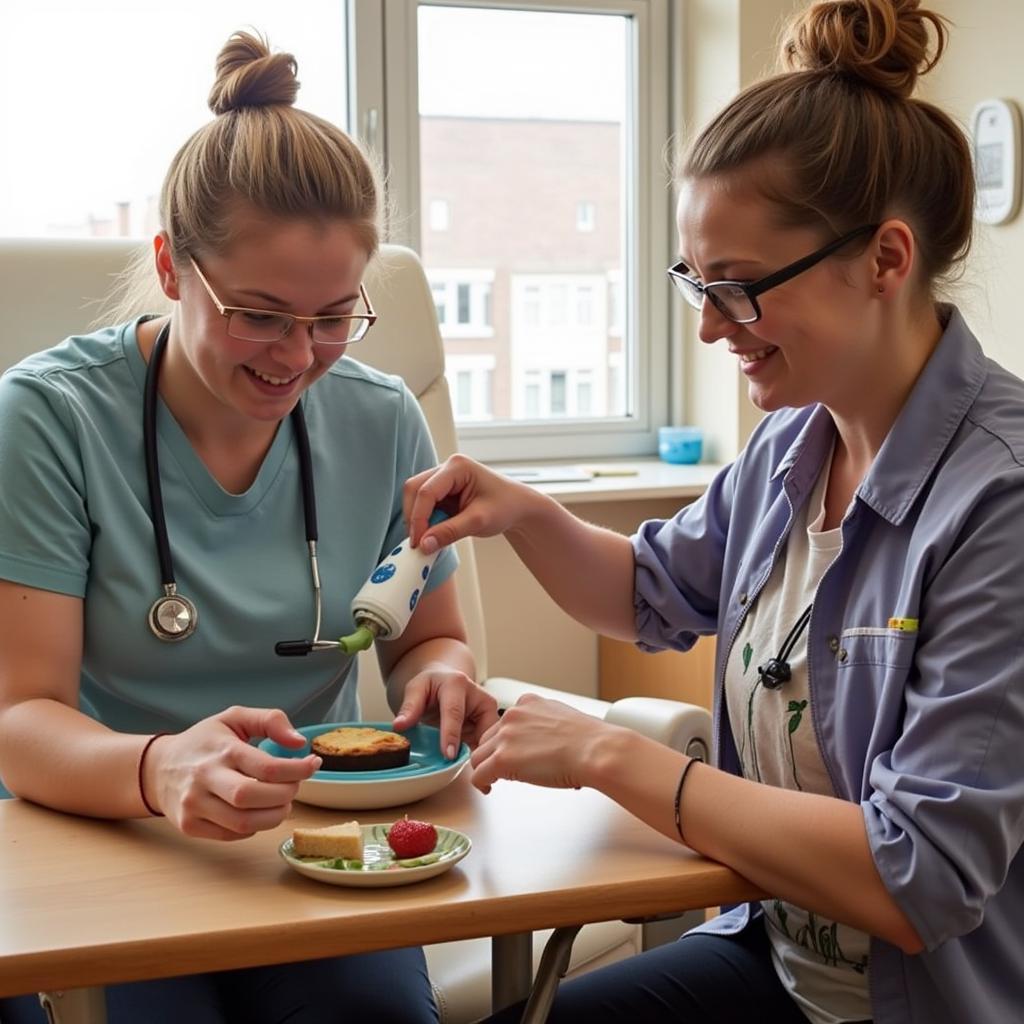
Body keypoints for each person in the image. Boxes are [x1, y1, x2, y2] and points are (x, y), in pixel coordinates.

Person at [404, 2, 1024, 1022]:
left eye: (736, 289)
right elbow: (650, 593)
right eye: (694, 282)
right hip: (772, 958)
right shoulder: (792, 443)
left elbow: (919, 875)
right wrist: (520, 512)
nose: (704, 326)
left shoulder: (996, 501)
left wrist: (611, 754)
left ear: (885, 259)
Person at [0, 30, 497, 1024]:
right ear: (171, 265)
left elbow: (426, 633)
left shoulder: (380, 414)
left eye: (331, 318)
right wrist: (155, 766)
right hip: (100, 829)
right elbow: (20, 722)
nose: (297, 356)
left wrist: (439, 678)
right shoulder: (48, 419)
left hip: (304, 837)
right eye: (260, 315)